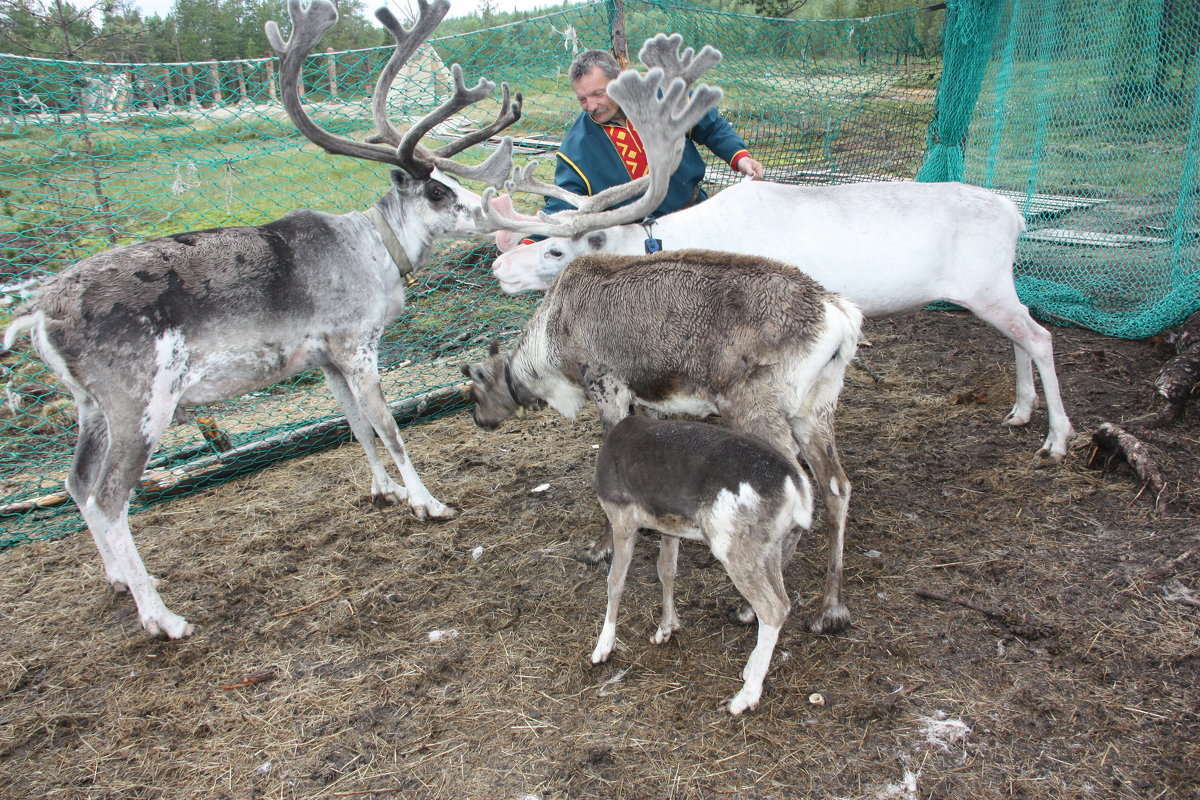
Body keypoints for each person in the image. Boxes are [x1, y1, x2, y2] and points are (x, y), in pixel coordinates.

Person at [534, 48, 764, 226]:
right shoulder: (575, 148)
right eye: (582, 99)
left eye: (598, 93)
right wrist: (531, 239)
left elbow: (710, 125)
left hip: (695, 213)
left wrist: (740, 158)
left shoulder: (665, 95)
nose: (591, 106)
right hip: (639, 238)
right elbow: (564, 201)